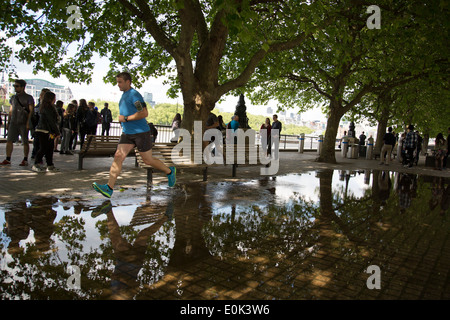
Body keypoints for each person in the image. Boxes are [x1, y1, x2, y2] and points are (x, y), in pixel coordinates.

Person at [92, 72, 176, 198]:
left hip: (141, 133)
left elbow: (144, 113)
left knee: (147, 160)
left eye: (120, 82)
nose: (118, 85)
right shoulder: (124, 95)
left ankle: (169, 171)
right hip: (127, 133)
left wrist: (125, 118)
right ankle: (109, 188)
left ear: (128, 82)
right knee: (118, 157)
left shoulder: (134, 95)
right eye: (117, 82)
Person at [1, 79, 35, 166]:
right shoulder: (13, 97)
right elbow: (11, 110)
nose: (15, 88)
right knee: (9, 140)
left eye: (17, 86)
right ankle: (8, 158)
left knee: (25, 141)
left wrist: (28, 122)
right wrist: (9, 122)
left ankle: (25, 159)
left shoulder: (29, 98)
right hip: (13, 122)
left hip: (23, 122)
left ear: (22, 87)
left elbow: (31, 111)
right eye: (14, 86)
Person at [32, 91, 61, 172]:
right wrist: (57, 132)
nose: (55, 100)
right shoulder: (47, 108)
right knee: (43, 148)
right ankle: (36, 164)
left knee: (49, 149)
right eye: (54, 98)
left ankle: (50, 165)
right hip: (43, 130)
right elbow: (51, 121)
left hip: (48, 131)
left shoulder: (48, 107)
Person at [31, 88, 51, 160]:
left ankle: (37, 156)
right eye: (41, 94)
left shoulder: (45, 106)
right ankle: (36, 157)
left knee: (41, 144)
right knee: (38, 143)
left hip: (43, 127)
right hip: (38, 127)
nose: (40, 95)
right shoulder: (39, 106)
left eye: (43, 94)